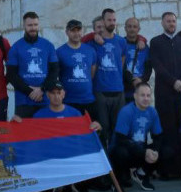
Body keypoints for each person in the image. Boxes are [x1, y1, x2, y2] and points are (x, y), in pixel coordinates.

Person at [149, 11, 181, 180]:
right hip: (165, 93)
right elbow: (157, 65)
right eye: (168, 21)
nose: (171, 24)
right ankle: (167, 169)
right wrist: (173, 81)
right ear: (162, 23)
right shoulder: (156, 42)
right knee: (167, 131)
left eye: (173, 21)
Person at [111, 82, 165, 192]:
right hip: (123, 149)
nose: (146, 98)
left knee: (165, 151)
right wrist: (145, 152)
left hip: (140, 149)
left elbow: (158, 136)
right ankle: (117, 183)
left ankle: (142, 174)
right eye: (142, 95)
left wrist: (155, 151)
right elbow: (121, 139)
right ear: (135, 96)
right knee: (121, 153)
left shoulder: (152, 112)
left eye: (148, 95)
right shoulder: (126, 111)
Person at [7, 11, 58, 118]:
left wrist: (42, 89)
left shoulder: (48, 45)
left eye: (35, 25)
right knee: (24, 133)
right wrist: (29, 91)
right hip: (23, 100)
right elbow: (11, 75)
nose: (33, 28)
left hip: (44, 98)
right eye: (30, 25)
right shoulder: (16, 48)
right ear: (24, 26)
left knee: (45, 132)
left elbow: (54, 71)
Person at [89, 8, 127, 140]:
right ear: (103, 21)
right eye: (109, 20)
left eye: (114, 20)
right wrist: (92, 36)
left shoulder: (121, 41)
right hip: (100, 91)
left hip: (118, 91)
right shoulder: (92, 42)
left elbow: (121, 62)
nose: (112, 22)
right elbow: (79, 41)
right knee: (103, 129)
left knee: (118, 129)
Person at [56, 19, 97, 119]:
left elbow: (91, 73)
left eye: (78, 30)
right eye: (73, 31)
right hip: (68, 101)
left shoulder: (90, 51)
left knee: (87, 132)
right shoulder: (59, 52)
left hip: (88, 100)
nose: (76, 33)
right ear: (67, 32)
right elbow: (55, 75)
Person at [122, 17, 151, 103]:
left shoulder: (145, 47)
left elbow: (148, 68)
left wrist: (142, 79)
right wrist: (132, 80)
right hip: (124, 91)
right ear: (125, 28)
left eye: (135, 27)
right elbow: (120, 66)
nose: (132, 29)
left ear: (139, 29)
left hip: (141, 91)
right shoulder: (120, 44)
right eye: (129, 26)